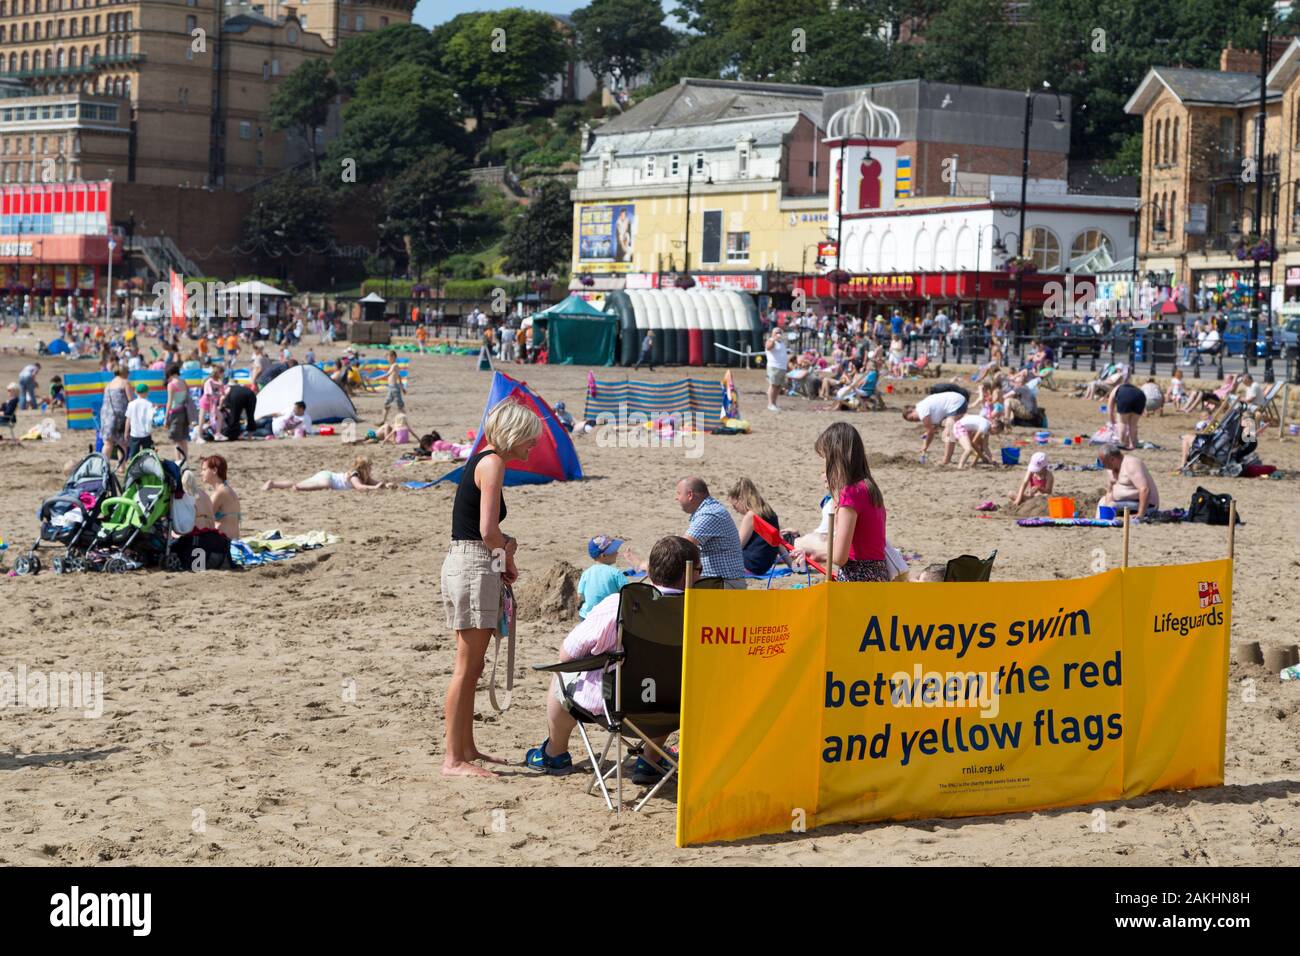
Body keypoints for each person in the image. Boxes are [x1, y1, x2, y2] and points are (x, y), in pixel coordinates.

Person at [525, 535, 700, 781]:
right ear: (689, 574)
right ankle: (650, 759)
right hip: (678, 707)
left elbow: (568, 653)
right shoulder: (704, 611)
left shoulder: (621, 605)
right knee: (666, 675)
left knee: (562, 674)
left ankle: (555, 754)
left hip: (619, 707)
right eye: (700, 569)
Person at [441, 400, 542, 777]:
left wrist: (502, 556)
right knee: (466, 668)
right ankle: (453, 759)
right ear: (514, 435)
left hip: (470, 562)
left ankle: (466, 748)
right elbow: (486, 531)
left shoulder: (483, 458)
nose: (532, 447)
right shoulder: (493, 462)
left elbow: (483, 532)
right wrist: (507, 556)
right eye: (530, 440)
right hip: (472, 565)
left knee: (475, 664)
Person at [815, 421, 889, 581]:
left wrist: (814, 552)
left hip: (858, 578)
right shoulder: (869, 487)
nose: (823, 465)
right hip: (878, 575)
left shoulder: (851, 493)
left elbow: (840, 557)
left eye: (824, 457)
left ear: (836, 457)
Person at [676, 476, 747, 589]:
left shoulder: (710, 513)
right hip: (719, 581)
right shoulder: (707, 510)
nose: (677, 498)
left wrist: (655, 565)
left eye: (679, 493)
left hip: (725, 583)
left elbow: (683, 547)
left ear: (690, 495)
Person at [727, 477, 781, 575]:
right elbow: (778, 542)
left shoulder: (751, 516)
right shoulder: (769, 512)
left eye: (735, 506)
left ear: (742, 499)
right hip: (764, 565)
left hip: (750, 565)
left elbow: (737, 547)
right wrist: (791, 564)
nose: (735, 510)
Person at [902, 386, 968, 462]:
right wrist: (928, 433)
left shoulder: (921, 411)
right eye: (912, 421)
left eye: (912, 418)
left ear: (912, 410)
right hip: (957, 402)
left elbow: (931, 432)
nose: (915, 421)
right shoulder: (922, 407)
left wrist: (925, 446)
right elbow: (934, 427)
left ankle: (945, 461)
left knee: (948, 433)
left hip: (956, 403)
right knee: (950, 429)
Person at [263, 455, 396, 492]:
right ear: (362, 468)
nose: (371, 470)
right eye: (369, 467)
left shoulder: (365, 477)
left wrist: (386, 485)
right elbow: (360, 488)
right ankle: (299, 488)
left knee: (301, 481)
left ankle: (273, 484)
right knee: (324, 485)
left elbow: (376, 483)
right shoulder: (354, 475)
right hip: (328, 477)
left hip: (326, 474)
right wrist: (374, 488)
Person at [1100, 444, 1159, 518]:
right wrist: (1106, 507)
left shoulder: (1131, 464)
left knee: (1112, 505)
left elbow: (1144, 489)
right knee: (1102, 502)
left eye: (1104, 463)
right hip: (1122, 504)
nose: (1103, 465)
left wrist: (1140, 514)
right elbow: (1110, 491)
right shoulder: (1111, 469)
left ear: (1112, 459)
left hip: (1146, 506)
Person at [577, 534, 627, 619]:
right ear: (603, 555)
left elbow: (580, 596)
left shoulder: (586, 573)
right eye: (613, 550)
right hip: (607, 616)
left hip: (587, 615)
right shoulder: (616, 573)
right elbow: (627, 593)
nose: (617, 553)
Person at [201, 454, 241, 540]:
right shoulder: (227, 489)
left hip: (224, 544)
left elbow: (204, 519)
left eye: (204, 470)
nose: (201, 473)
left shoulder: (220, 493)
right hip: (232, 540)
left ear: (214, 470)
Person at [99, 365, 130, 466]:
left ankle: (104, 466)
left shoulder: (109, 384)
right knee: (122, 443)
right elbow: (131, 401)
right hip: (120, 415)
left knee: (108, 443)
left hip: (106, 415)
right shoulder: (125, 382)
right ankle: (122, 467)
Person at [1106, 379, 1146, 449]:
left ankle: (1121, 443)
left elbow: (1110, 407)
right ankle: (1133, 444)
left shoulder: (1116, 389)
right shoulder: (1134, 388)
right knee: (1133, 424)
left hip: (1125, 396)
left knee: (1122, 422)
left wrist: (1112, 420)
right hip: (1140, 396)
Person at [164, 362, 191, 461]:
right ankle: (185, 460)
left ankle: (178, 461)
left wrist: (166, 417)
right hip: (184, 412)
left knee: (176, 441)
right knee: (183, 439)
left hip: (175, 413)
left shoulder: (171, 385)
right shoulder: (183, 382)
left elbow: (169, 403)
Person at [125, 381, 155, 462]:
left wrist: (126, 432)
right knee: (148, 455)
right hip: (146, 433)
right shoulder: (149, 404)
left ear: (135, 392)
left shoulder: (131, 404)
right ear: (146, 392)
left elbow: (128, 419)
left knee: (134, 456)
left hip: (134, 434)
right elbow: (151, 419)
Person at [764, 329, 788, 412]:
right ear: (772, 333)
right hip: (774, 366)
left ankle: (774, 403)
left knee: (778, 386)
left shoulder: (781, 343)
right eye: (776, 332)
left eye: (780, 332)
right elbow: (768, 347)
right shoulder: (770, 341)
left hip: (782, 367)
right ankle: (770, 404)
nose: (778, 334)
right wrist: (774, 339)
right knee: (773, 385)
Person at [379, 350, 405, 425]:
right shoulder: (393, 365)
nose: (387, 359)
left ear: (393, 357)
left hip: (394, 388)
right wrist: (402, 387)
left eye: (388, 357)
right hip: (391, 388)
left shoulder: (395, 365)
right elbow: (399, 377)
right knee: (386, 404)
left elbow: (387, 375)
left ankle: (405, 421)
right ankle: (383, 421)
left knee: (400, 406)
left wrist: (374, 378)